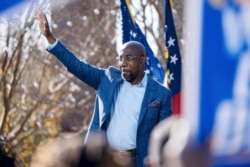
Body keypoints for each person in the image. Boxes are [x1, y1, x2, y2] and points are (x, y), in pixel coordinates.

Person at [36, 11, 172, 167]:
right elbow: (76, 65)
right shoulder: (107, 79)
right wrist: (49, 37)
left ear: (142, 60)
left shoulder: (161, 94)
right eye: (121, 58)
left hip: (137, 162)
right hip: (105, 161)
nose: (123, 63)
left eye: (129, 58)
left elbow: (164, 138)